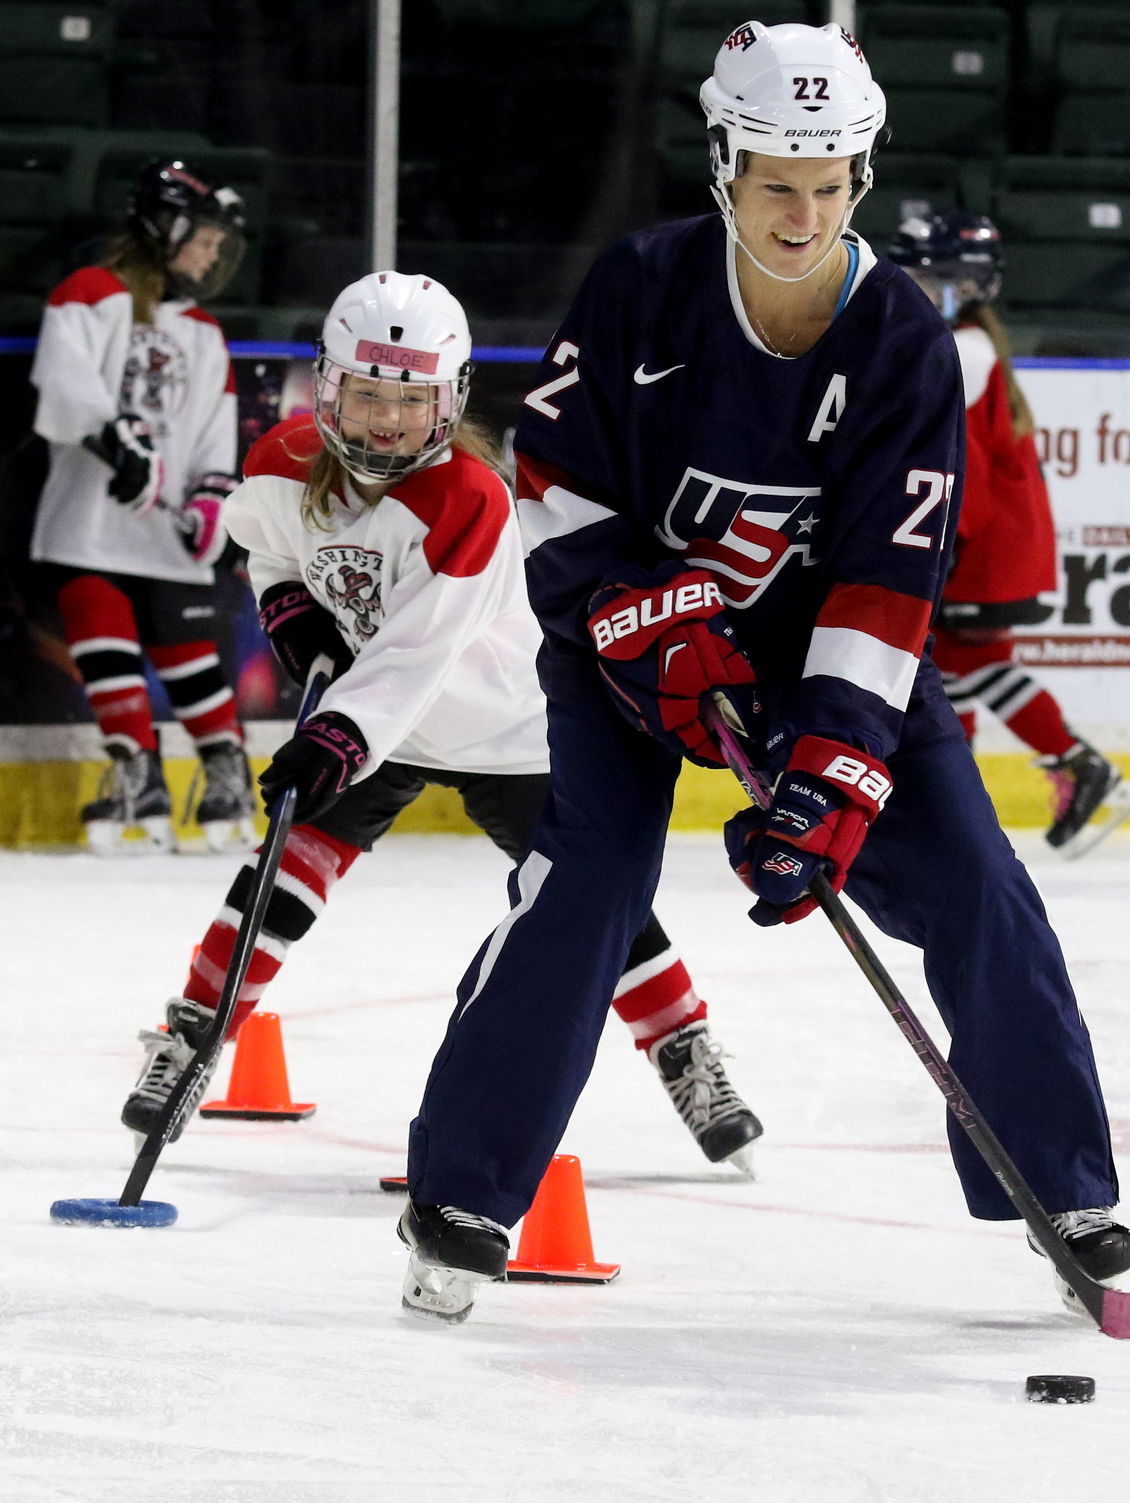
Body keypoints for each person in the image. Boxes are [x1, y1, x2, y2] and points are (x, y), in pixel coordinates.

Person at [397, 21, 1130, 1324]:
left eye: (833, 181)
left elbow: (886, 581)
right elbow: (559, 497)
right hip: (632, 649)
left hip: (815, 660)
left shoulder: (902, 337)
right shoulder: (640, 289)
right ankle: (461, 1190)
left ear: (862, 176)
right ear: (726, 167)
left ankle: (1061, 1183)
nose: (805, 212)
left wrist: (834, 777)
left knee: (974, 876)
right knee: (591, 881)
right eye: (776, 182)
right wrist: (667, 632)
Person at [119, 270, 762, 1176]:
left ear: (450, 399)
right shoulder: (281, 464)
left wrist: (336, 735)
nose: (387, 420)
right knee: (280, 872)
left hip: (504, 724)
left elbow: (416, 653)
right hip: (378, 717)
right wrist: (293, 613)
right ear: (329, 385)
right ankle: (192, 1038)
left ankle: (682, 1045)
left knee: (587, 902)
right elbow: (268, 551)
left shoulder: (470, 499)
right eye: (369, 393)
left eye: (412, 400)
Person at [886, 209, 1130, 858]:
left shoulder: (960, 352)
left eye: (920, 277)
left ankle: (1074, 767)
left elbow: (944, 463)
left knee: (958, 660)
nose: (904, 288)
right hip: (990, 544)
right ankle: (968, 798)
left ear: (956, 284)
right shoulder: (971, 345)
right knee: (952, 663)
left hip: (979, 548)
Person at [28, 159, 255, 853]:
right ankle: (138, 774)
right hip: (91, 521)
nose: (213, 255)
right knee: (100, 631)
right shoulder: (88, 294)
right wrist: (115, 440)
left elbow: (217, 434)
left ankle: (227, 778)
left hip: (167, 533)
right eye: (206, 240)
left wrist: (215, 494)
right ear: (168, 225)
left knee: (188, 653)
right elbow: (62, 385)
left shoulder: (205, 333)